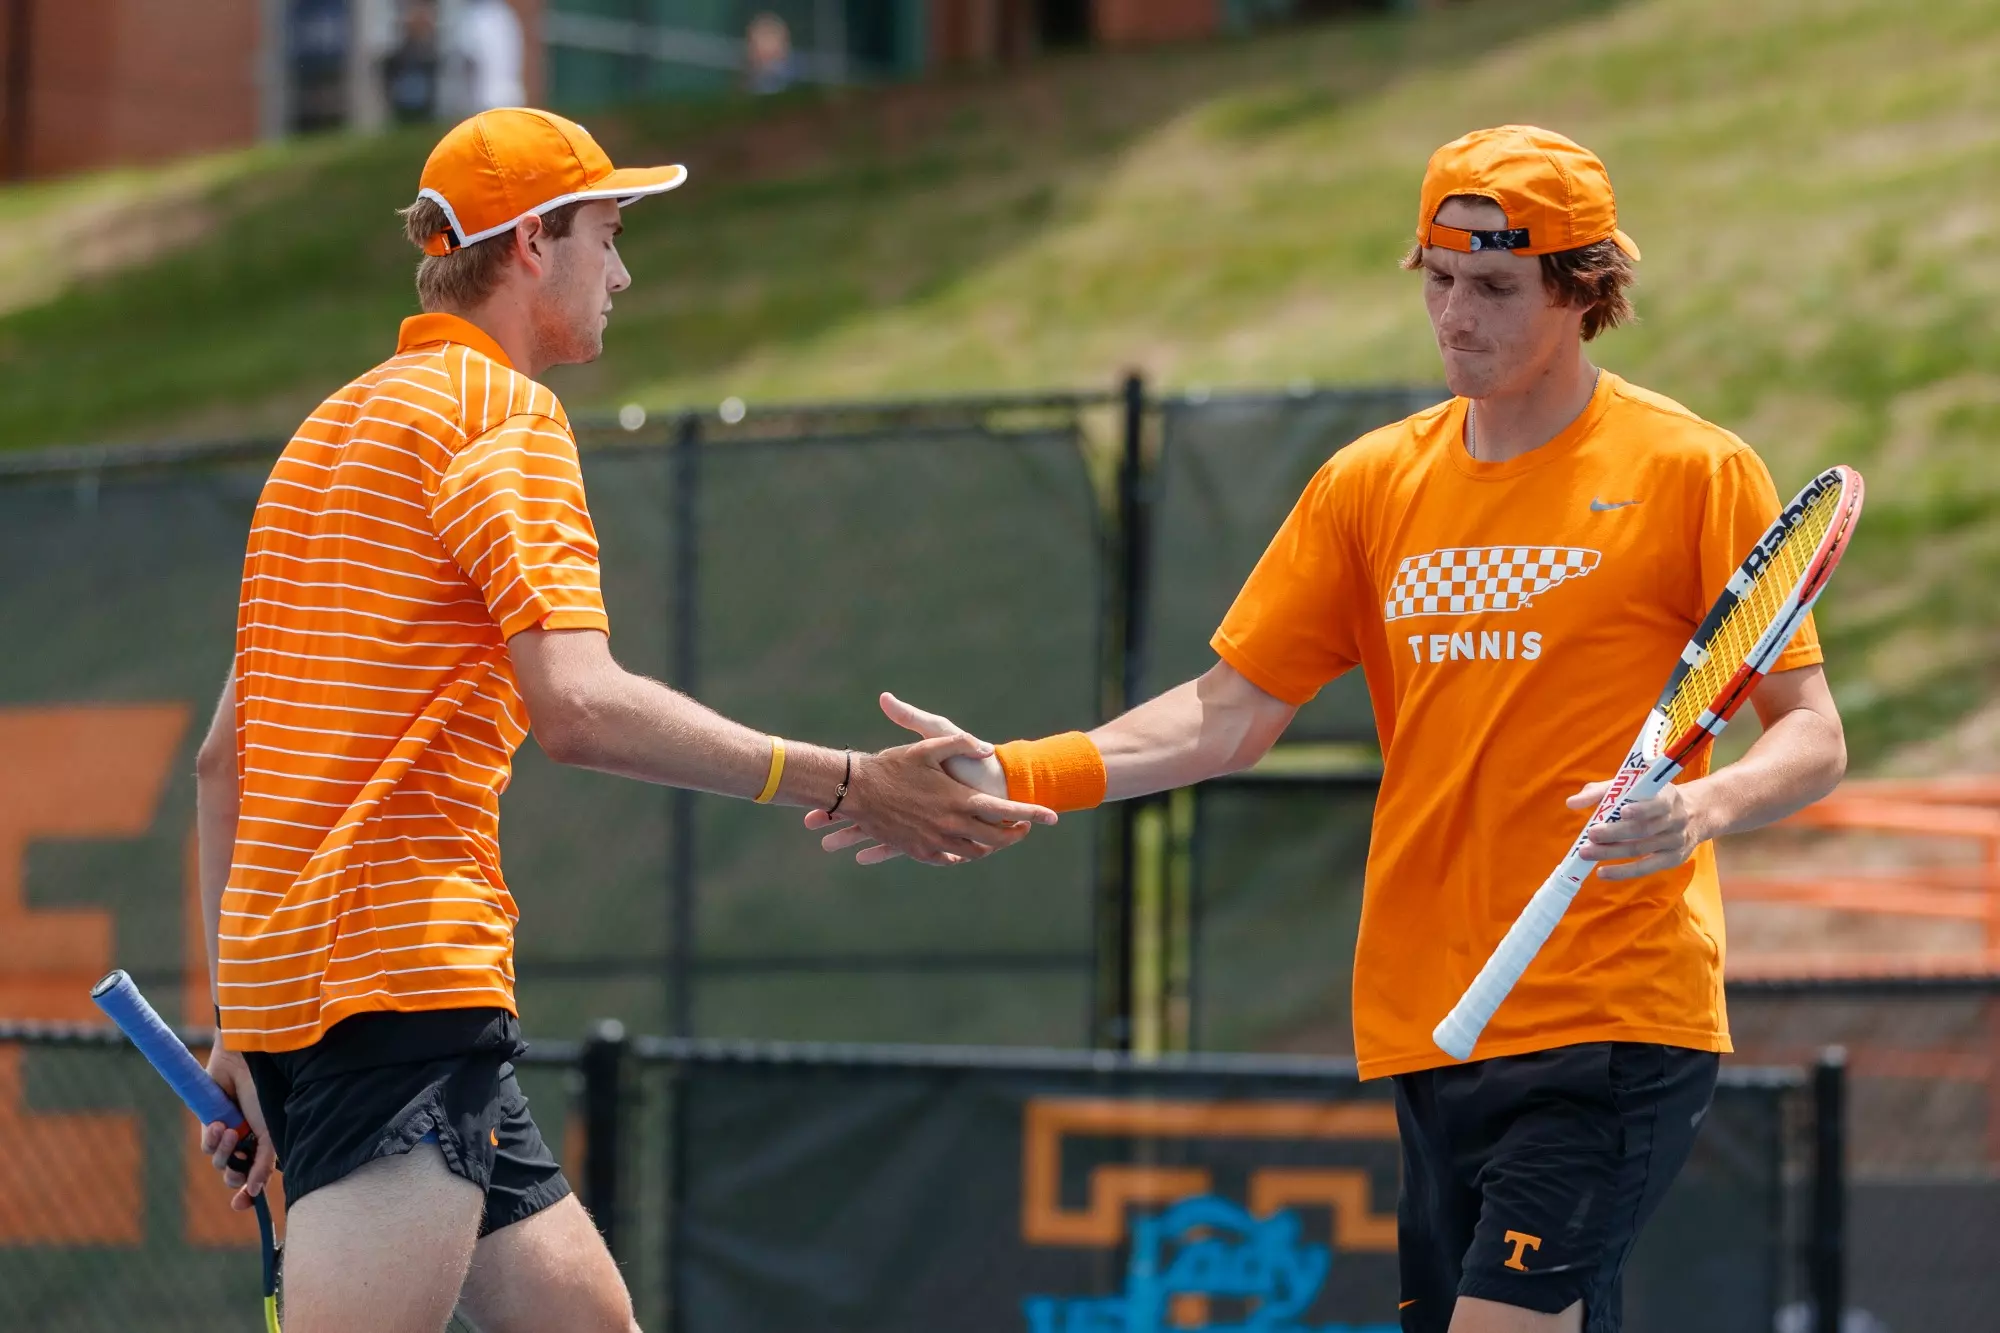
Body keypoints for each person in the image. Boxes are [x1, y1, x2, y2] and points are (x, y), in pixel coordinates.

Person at [815, 125, 1848, 1333]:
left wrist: (1699, 808)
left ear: (1582, 290)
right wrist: (1013, 768)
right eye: (1439, 282)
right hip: (1427, 1015)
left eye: (1496, 288)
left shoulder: (1691, 470)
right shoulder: (1368, 484)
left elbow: (1809, 733)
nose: (1456, 316)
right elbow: (1228, 711)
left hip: (1609, 1011)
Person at [191, 107, 1055, 1333]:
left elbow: (225, 756)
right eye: (607, 233)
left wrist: (243, 1018)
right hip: (398, 995)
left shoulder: (328, 437)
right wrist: (853, 780)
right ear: (532, 244)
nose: (624, 270)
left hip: (337, 1003)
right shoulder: (504, 417)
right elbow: (580, 709)